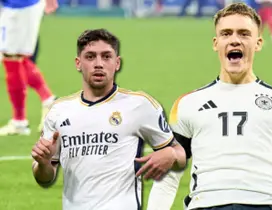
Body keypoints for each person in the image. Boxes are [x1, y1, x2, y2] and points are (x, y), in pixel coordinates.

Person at [147, 3, 272, 210]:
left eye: (244, 34)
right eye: (226, 34)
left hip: (266, 203)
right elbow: (168, 178)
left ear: (258, 43)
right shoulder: (187, 104)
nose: (235, 39)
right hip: (206, 204)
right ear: (216, 43)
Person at [31, 29, 187, 210]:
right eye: (90, 57)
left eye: (106, 57)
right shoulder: (59, 111)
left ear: (117, 63)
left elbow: (180, 154)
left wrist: (172, 154)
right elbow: (45, 177)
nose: (99, 64)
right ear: (78, 63)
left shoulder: (139, 105)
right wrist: (43, 163)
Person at [0, 0, 59, 136]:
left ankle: (19, 122)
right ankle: (49, 101)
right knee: (16, 58)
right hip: (18, 6)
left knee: (12, 59)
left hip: (20, 6)